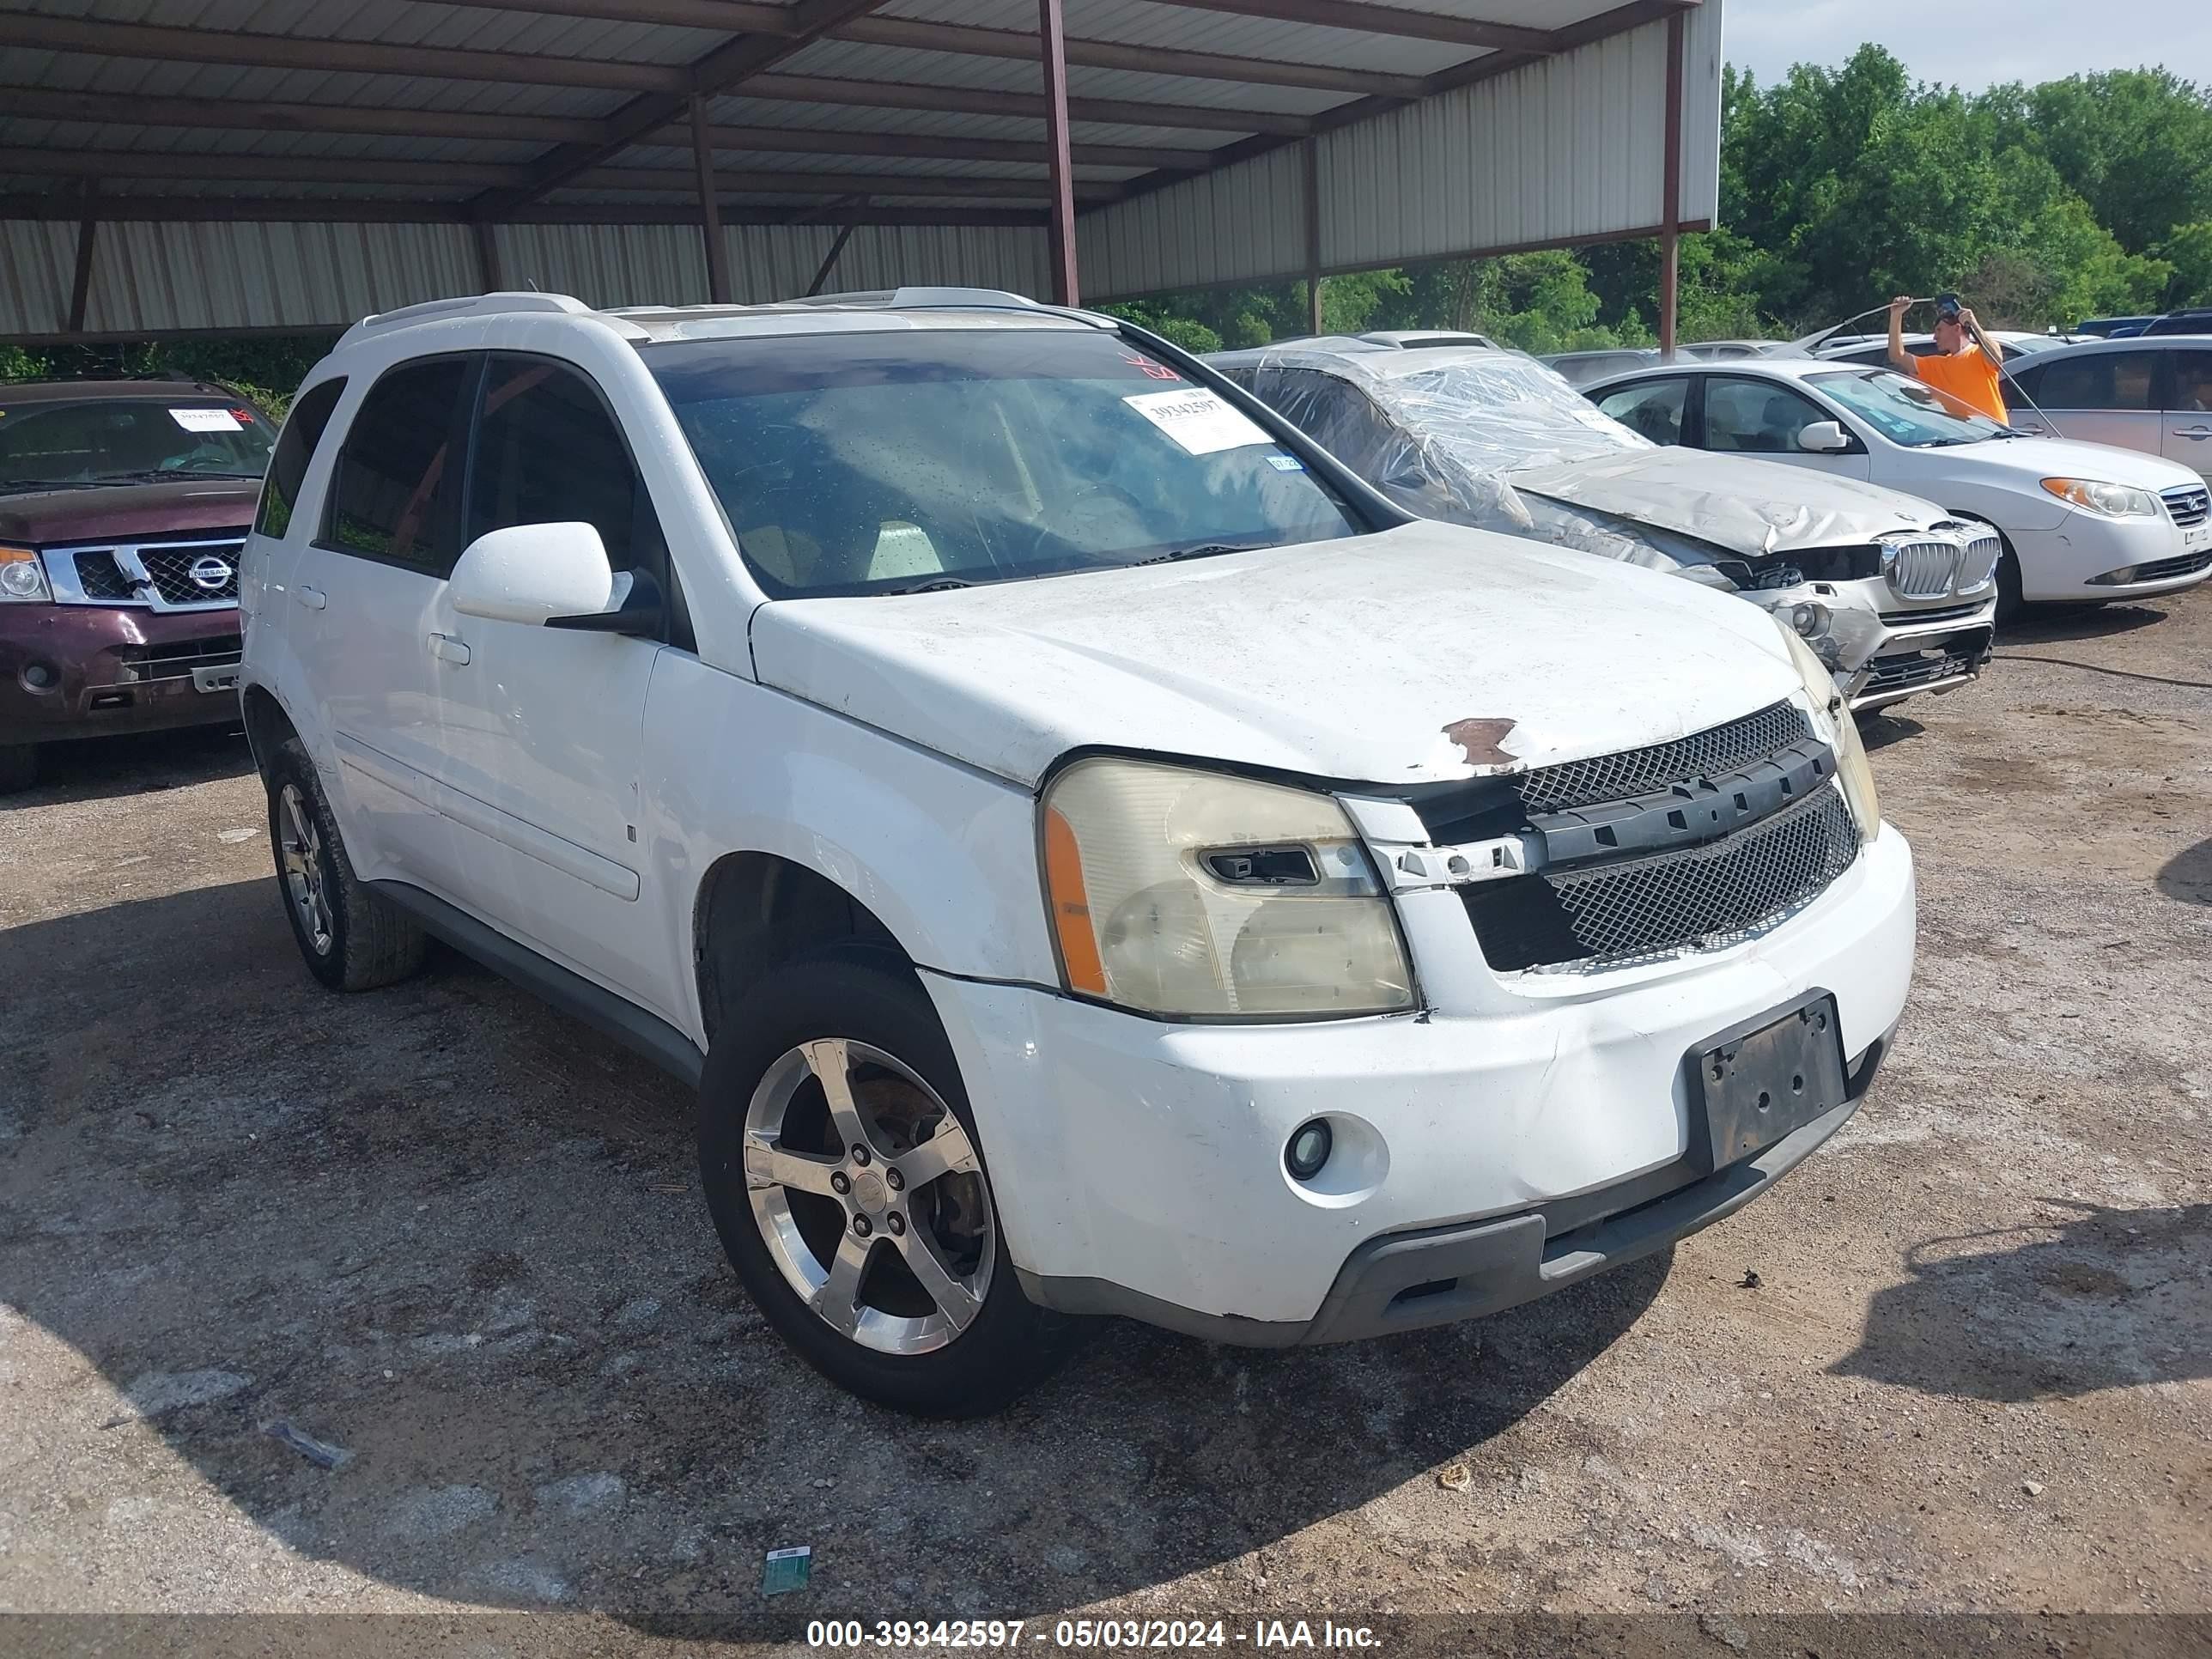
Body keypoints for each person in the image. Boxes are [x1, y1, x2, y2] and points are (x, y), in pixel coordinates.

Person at [1889, 295, 2008, 423]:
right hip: (1966, 438)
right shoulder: (1938, 365)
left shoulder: (1979, 353)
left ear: (1957, 328)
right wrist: (1896, 316)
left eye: (1939, 330)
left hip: (1997, 435)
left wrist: (1974, 325)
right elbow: (1897, 355)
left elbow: (1996, 359)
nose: (1935, 337)